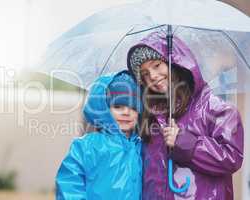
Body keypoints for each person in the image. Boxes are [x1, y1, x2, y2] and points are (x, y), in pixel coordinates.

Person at [127, 32, 244, 199]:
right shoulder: (151, 116)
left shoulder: (215, 109)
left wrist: (185, 143)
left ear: (175, 62)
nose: (152, 76)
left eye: (157, 65)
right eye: (145, 74)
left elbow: (232, 157)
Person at [55, 70, 143, 200]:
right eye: (118, 106)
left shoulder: (140, 147)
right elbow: (70, 183)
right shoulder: (86, 146)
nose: (126, 112)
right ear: (103, 109)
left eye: (133, 108)